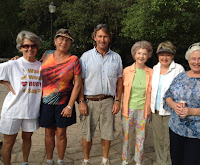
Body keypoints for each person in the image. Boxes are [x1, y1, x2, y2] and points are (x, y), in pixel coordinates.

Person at [163, 43, 200, 165]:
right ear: (188, 59)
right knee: (176, 162)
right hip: (176, 129)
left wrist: (191, 111)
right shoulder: (181, 76)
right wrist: (174, 106)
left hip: (199, 134)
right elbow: (168, 95)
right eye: (193, 58)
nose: (196, 62)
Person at [78, 24, 123, 165]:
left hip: (108, 101)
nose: (102, 39)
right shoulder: (85, 57)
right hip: (89, 101)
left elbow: (120, 81)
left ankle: (105, 159)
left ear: (109, 39)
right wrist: (81, 102)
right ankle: (86, 160)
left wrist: (118, 100)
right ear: (94, 37)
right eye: (100, 36)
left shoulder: (116, 58)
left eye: (105, 36)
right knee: (87, 134)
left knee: (107, 133)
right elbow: (80, 81)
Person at [39, 28, 81, 165]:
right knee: (48, 133)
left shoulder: (74, 60)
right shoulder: (46, 55)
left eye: (67, 40)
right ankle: (49, 160)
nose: (64, 42)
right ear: (55, 41)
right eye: (61, 39)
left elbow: (77, 84)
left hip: (64, 103)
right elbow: (32, 65)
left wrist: (70, 105)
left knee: (61, 133)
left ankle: (61, 161)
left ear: (70, 43)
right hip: (45, 102)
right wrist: (18, 59)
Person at [0, 30, 42, 165]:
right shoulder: (13, 64)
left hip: (31, 111)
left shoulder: (41, 66)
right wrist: (7, 84)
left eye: (33, 46)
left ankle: (25, 162)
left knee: (27, 138)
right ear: (20, 48)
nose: (30, 49)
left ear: (37, 48)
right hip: (13, 110)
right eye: (26, 46)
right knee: (8, 142)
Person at [150, 41, 184, 165]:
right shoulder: (155, 68)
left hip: (171, 111)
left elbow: (182, 91)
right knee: (158, 139)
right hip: (156, 110)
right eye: (161, 54)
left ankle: (169, 162)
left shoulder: (179, 69)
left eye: (168, 55)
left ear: (173, 55)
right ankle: (160, 161)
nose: (164, 58)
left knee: (169, 140)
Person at [121, 41, 153, 165]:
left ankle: (138, 161)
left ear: (148, 56)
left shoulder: (151, 73)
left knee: (141, 137)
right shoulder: (126, 71)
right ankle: (125, 160)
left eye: (144, 54)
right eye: (139, 53)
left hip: (143, 110)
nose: (141, 56)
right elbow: (121, 90)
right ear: (134, 54)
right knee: (126, 137)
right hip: (128, 109)